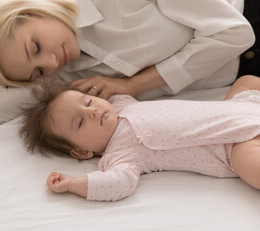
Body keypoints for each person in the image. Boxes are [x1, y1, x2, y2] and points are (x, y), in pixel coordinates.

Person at [0, 0, 258, 125]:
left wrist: (133, 85)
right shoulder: (63, 73)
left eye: (36, 45)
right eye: (37, 70)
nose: (51, 62)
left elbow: (236, 32)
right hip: (247, 80)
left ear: (31, 10)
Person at [19, 75, 260, 201]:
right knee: (254, 169)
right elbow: (117, 184)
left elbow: (109, 89)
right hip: (232, 146)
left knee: (246, 81)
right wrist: (73, 183)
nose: (91, 111)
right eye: (80, 122)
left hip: (239, 107)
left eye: (88, 102)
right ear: (82, 152)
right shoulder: (120, 154)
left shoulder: (122, 104)